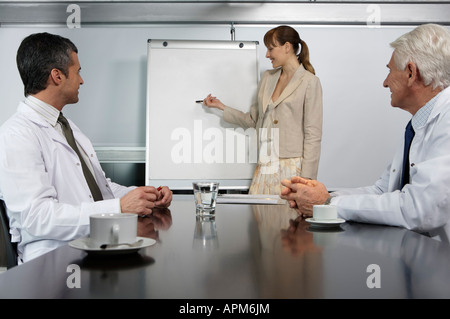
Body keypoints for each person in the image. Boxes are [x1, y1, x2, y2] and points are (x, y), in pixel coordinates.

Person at [0, 32, 173, 263]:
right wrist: (120, 207)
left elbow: (98, 190)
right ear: (57, 76)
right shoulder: (17, 134)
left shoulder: (67, 127)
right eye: (78, 71)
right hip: (53, 263)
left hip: (94, 247)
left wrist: (144, 196)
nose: (81, 80)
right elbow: (36, 217)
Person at [280, 24, 450, 242]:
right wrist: (322, 197)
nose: (385, 82)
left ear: (410, 72)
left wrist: (327, 204)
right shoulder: (417, 125)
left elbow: (420, 209)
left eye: (389, 71)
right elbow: (383, 191)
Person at [202, 25, 323, 195]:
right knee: (260, 218)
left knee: (290, 220)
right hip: (265, 164)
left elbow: (313, 135)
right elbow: (253, 120)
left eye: (271, 49)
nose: (267, 54)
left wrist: (307, 181)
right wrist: (221, 106)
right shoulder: (267, 78)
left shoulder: (310, 82)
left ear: (287, 47)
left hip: (293, 169)